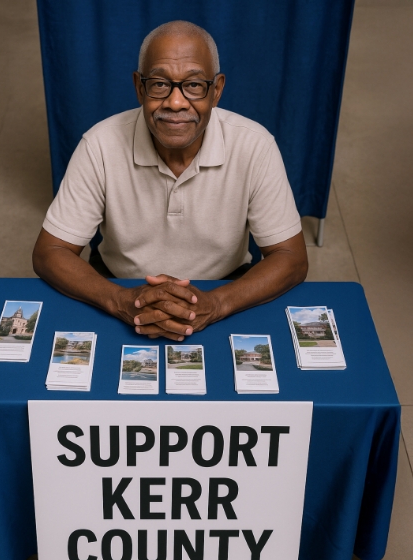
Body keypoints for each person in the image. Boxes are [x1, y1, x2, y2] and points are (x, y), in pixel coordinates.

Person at [32, 20, 308, 341]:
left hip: (226, 286)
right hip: (118, 285)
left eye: (193, 85)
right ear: (139, 87)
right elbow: (50, 250)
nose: (176, 103)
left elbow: (292, 258)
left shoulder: (255, 145)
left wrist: (217, 303)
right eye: (160, 84)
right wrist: (120, 300)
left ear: (216, 90)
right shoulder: (100, 144)